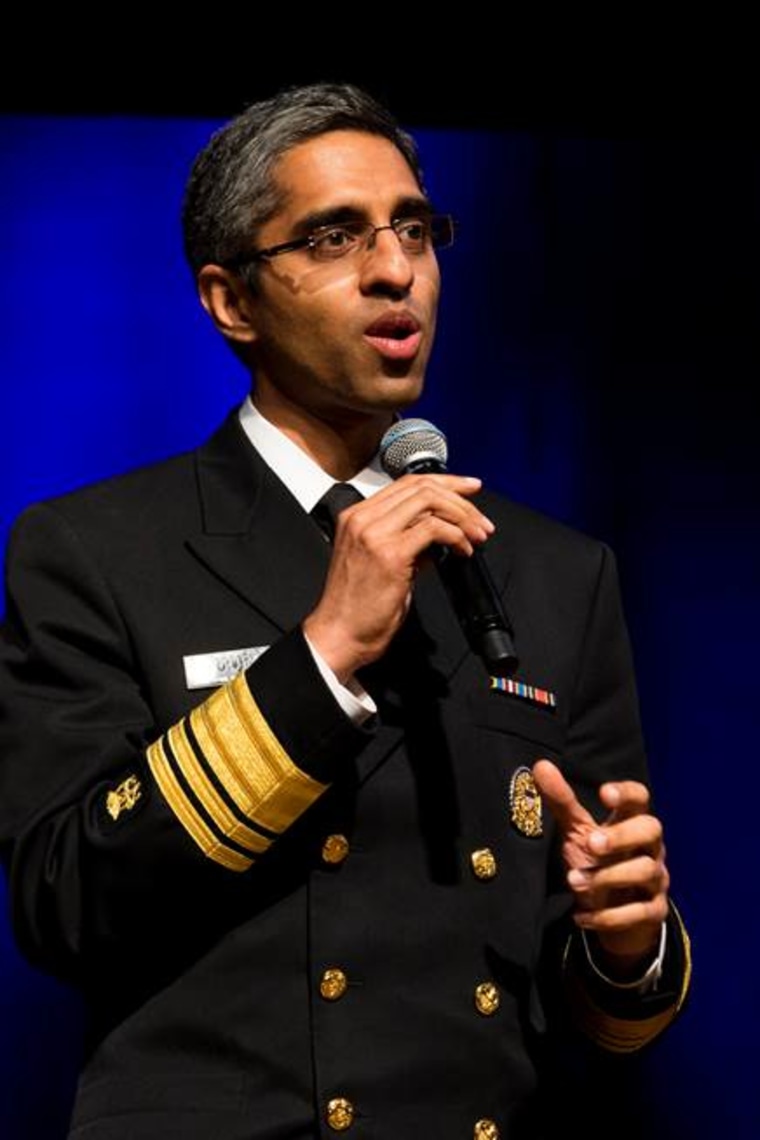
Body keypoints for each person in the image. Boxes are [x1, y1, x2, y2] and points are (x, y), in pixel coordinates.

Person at [0, 82, 691, 1139]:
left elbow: (591, 1001)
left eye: (414, 227)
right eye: (333, 237)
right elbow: (63, 905)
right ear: (231, 301)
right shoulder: (94, 550)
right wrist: (321, 657)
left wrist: (624, 942)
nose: (394, 268)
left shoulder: (557, 570)